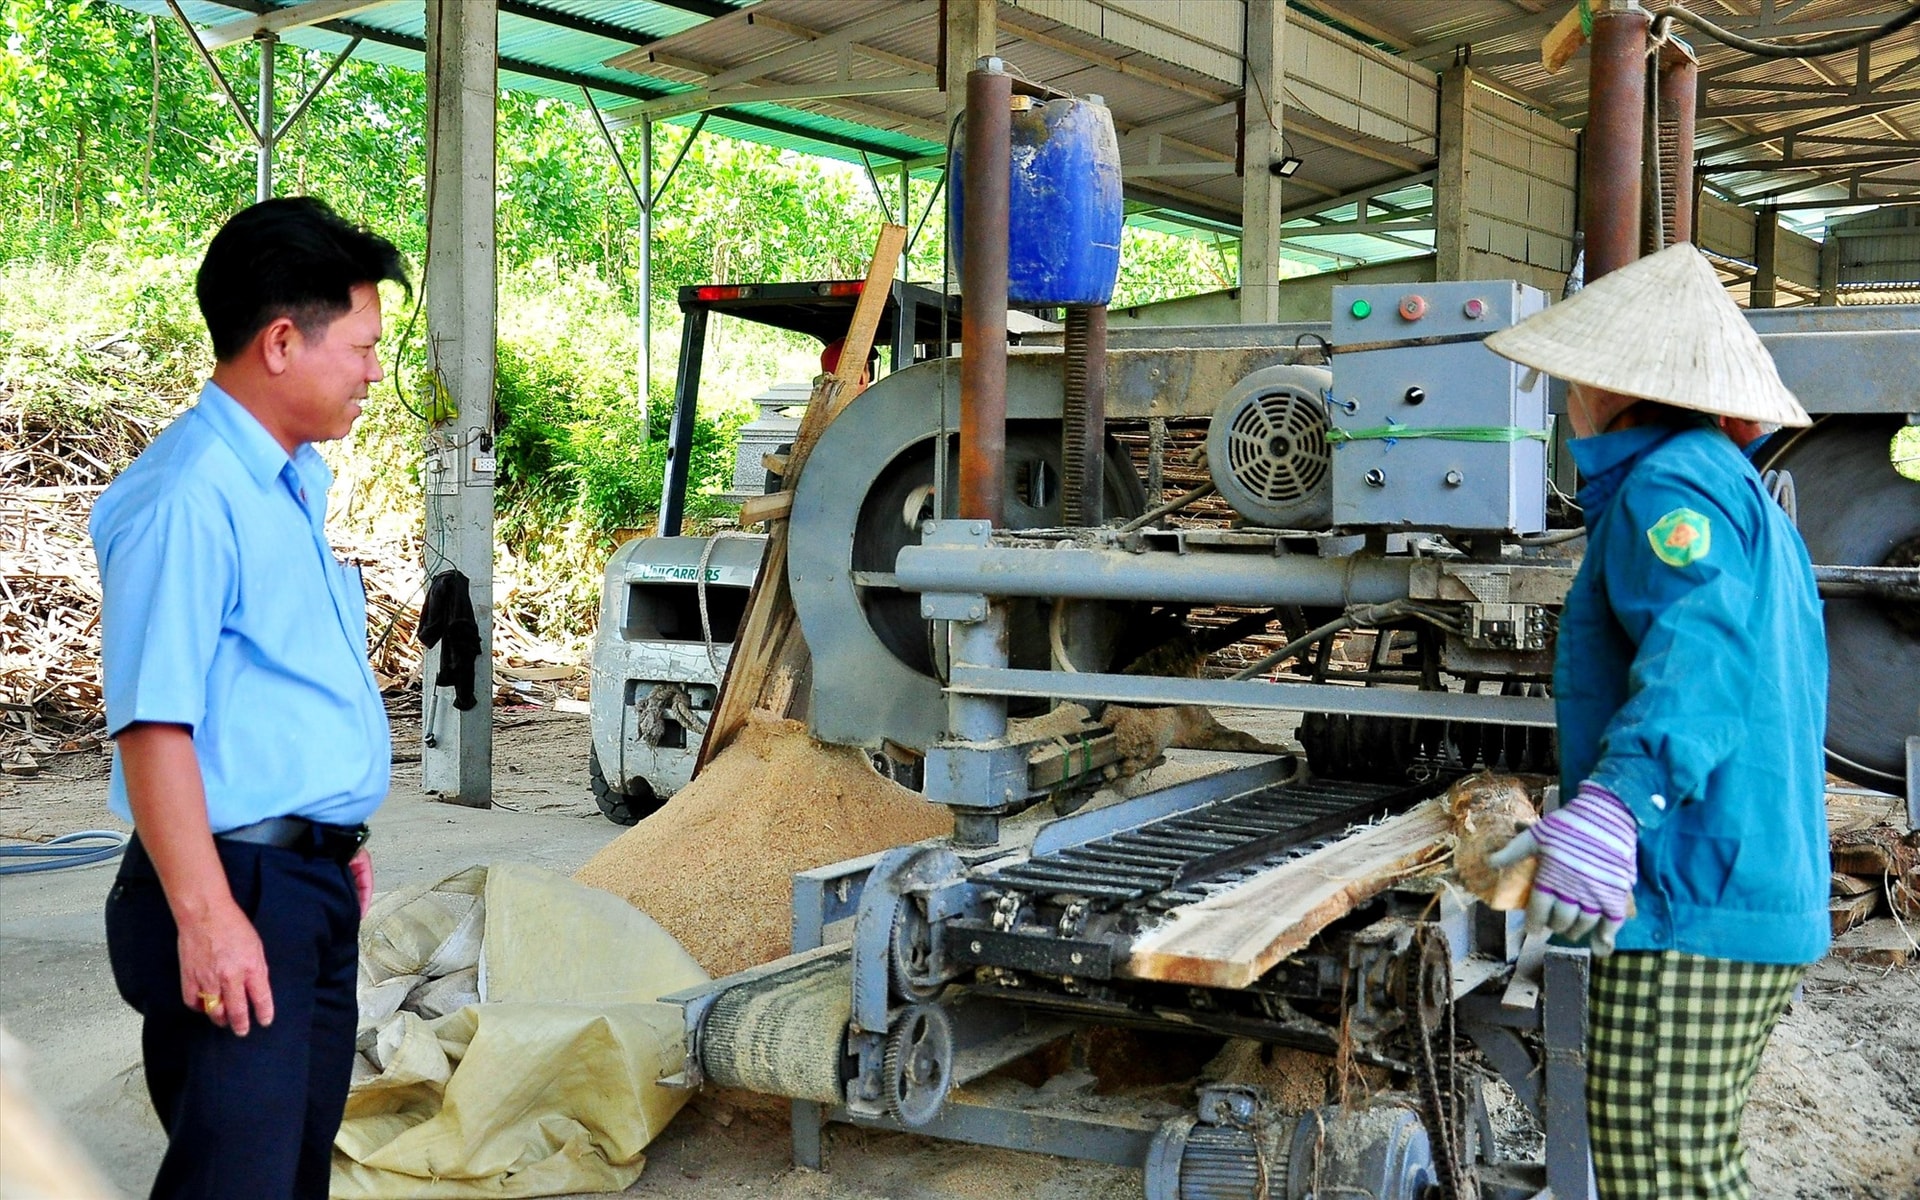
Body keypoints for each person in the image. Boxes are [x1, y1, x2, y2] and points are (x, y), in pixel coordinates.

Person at [1482, 242, 1829, 1200]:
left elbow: (1704, 658)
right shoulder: (1729, 479)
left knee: (1664, 1178)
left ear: (1606, 386)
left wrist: (1617, 805)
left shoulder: (1669, 486)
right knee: (1688, 1166)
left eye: (1567, 383)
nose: (1562, 405)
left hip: (1693, 895)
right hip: (1739, 879)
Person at [89, 196, 407, 1200]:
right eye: (360, 345)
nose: (373, 371)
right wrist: (211, 912)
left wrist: (326, 837)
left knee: (290, 1171)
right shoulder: (188, 494)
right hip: (233, 893)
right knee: (240, 1182)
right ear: (281, 341)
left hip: (294, 884)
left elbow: (267, 695)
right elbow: (153, 723)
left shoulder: (284, 483)